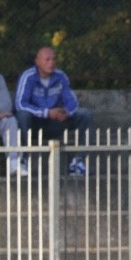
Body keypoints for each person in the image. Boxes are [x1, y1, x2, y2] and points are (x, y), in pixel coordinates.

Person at [15, 46, 93, 176]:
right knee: (22, 115)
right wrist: (46, 112)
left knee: (84, 114)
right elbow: (20, 104)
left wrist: (66, 112)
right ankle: (22, 159)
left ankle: (78, 162)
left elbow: (72, 101)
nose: (51, 63)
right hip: (35, 123)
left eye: (53, 59)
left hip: (56, 121)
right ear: (37, 61)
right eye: (47, 60)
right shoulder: (28, 76)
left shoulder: (60, 76)